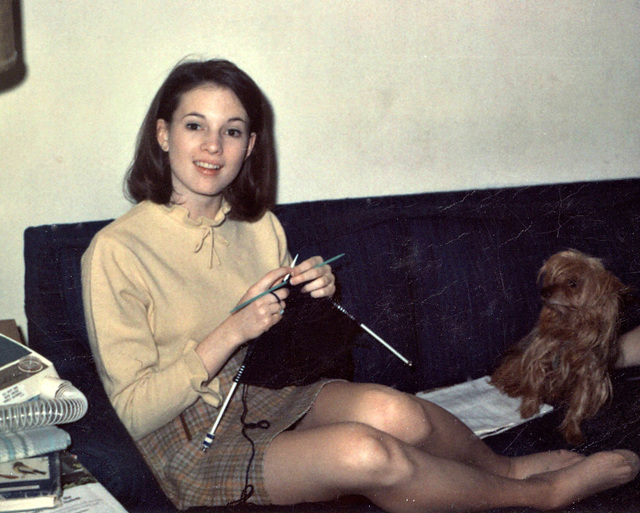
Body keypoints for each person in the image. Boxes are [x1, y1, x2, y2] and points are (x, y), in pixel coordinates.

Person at [81, 58, 639, 512]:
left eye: (232, 131)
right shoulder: (116, 251)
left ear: (250, 146)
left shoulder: (259, 226)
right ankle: (536, 495)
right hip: (186, 439)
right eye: (194, 125)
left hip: (262, 396)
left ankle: (505, 466)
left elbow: (285, 357)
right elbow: (133, 410)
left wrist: (313, 302)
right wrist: (231, 330)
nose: (212, 147)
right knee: (369, 453)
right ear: (163, 134)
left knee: (401, 413)